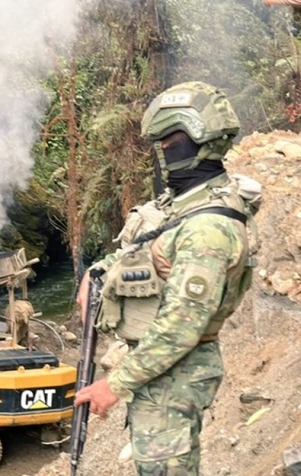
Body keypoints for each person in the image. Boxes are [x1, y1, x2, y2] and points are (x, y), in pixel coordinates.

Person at [73, 81, 261, 475]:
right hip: (161, 371)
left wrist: (114, 384)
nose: (162, 152)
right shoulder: (184, 207)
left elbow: (180, 328)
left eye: (171, 141)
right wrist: (98, 270)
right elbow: (141, 247)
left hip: (176, 373)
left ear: (201, 142)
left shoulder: (208, 227)